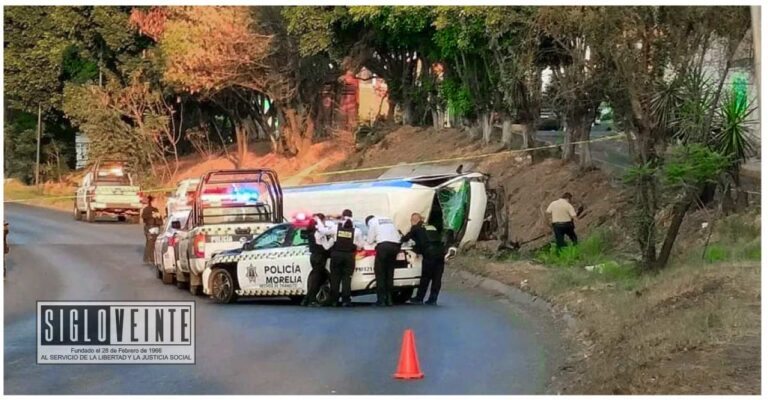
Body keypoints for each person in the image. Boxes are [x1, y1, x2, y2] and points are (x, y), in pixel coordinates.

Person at [317, 209, 364, 307]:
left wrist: (318, 221)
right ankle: (346, 300)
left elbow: (323, 231)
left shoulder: (335, 228)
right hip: (349, 257)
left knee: (335, 278)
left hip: (336, 255)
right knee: (347, 279)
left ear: (343, 216)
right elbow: (360, 245)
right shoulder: (357, 231)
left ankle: (334, 300)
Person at [401, 213, 447, 305]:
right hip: (440, 253)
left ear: (414, 220)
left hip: (429, 254)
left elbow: (405, 239)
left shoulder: (416, 228)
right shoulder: (431, 226)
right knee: (437, 278)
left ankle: (419, 298)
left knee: (425, 277)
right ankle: (433, 299)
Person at [365, 214, 402, 307]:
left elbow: (370, 240)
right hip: (395, 247)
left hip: (384, 247)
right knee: (390, 273)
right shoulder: (388, 219)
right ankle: (389, 300)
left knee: (380, 273)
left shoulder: (372, 222)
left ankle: (381, 300)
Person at [301, 213, 333, 307]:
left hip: (314, 256)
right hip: (320, 257)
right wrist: (332, 240)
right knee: (316, 281)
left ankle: (306, 299)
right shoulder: (318, 232)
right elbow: (326, 247)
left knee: (317, 279)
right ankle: (311, 300)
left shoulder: (310, 231)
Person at [142, 195, 163, 264]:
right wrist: (151, 216)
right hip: (149, 228)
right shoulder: (147, 209)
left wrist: (160, 220)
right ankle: (148, 258)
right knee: (150, 243)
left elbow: (160, 220)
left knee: (154, 243)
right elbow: (144, 217)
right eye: (155, 201)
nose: (157, 203)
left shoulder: (156, 209)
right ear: (152, 202)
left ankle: (152, 258)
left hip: (156, 227)